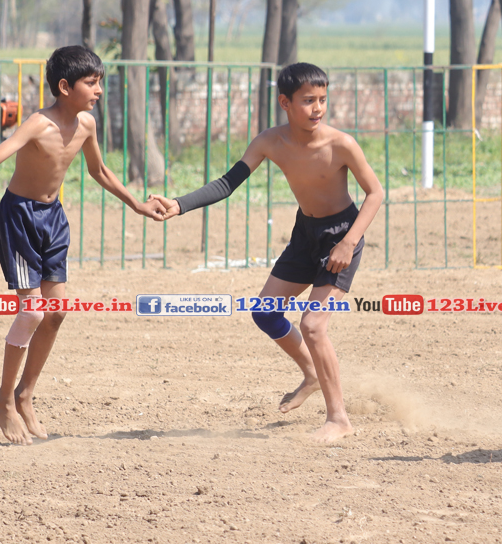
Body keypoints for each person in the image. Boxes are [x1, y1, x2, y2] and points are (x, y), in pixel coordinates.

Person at [152, 62, 383, 443]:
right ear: (285, 103)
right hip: (305, 235)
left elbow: (375, 193)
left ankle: (339, 419)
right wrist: (179, 204)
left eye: (322, 99)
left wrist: (349, 242)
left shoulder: (341, 144)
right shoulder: (269, 142)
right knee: (264, 311)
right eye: (308, 100)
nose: (318, 108)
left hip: (342, 235)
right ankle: (312, 374)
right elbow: (227, 183)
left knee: (313, 326)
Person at [0, 46, 166, 445]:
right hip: (19, 218)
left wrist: (138, 205)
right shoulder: (37, 124)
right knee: (32, 312)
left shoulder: (86, 125)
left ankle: (24, 395)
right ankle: (3, 398)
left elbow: (100, 171)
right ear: (64, 87)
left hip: (53, 219)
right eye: (91, 83)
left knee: (56, 312)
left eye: (99, 83)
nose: (98, 90)